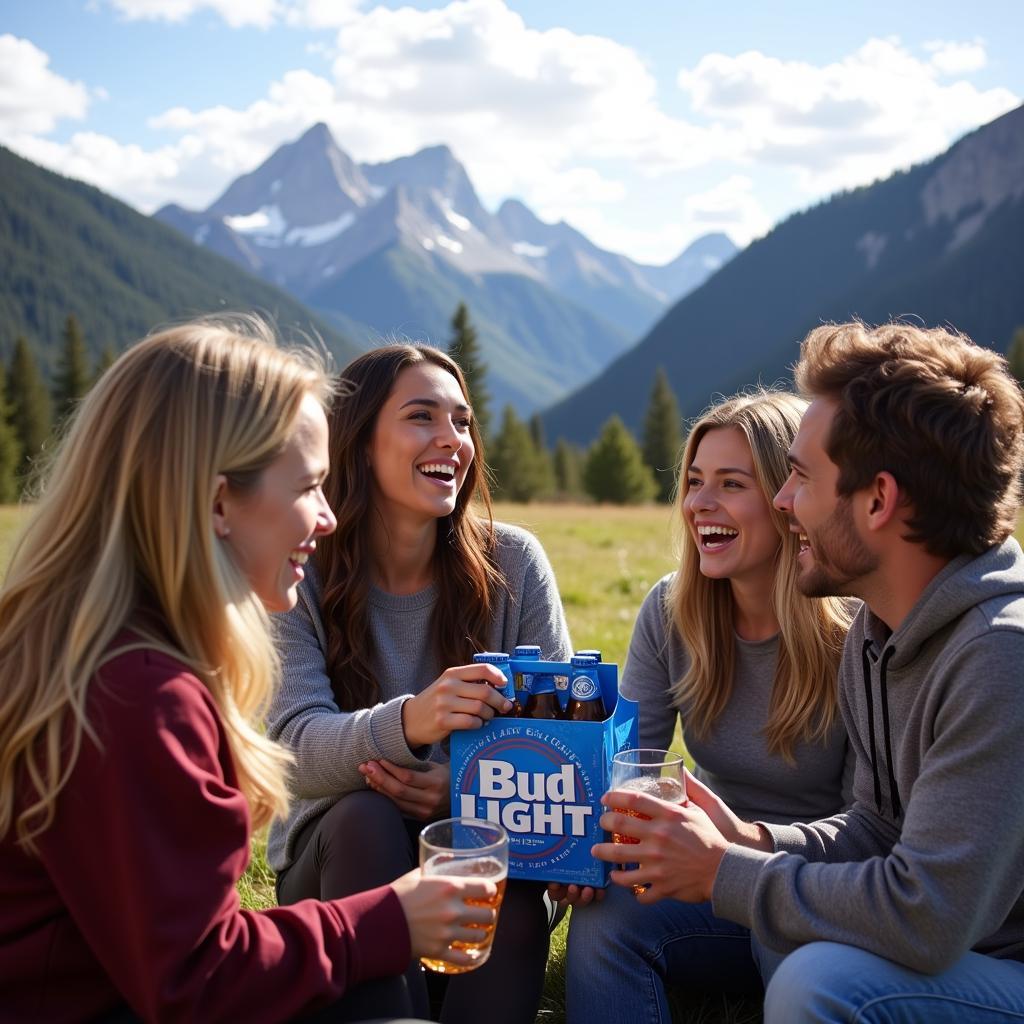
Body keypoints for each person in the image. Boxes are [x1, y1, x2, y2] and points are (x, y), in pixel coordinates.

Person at [0, 318, 499, 1023]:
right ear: (216, 502)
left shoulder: (90, 652)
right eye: (307, 487)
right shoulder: (139, 693)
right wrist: (391, 919)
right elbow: (196, 978)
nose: (326, 518)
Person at [593, 322, 1024, 1023]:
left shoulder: (1000, 655)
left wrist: (724, 871)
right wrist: (749, 839)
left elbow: (929, 916)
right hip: (947, 949)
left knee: (819, 978)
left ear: (878, 500)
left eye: (799, 476)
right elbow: (877, 832)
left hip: (998, 965)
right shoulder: (885, 632)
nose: (785, 501)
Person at [266, 343, 573, 1024]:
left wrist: (462, 791)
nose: (452, 440)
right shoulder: (298, 569)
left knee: (505, 881)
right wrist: (414, 723)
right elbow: (287, 750)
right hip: (338, 859)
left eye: (462, 422)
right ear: (359, 443)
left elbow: (563, 753)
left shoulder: (514, 564)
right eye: (421, 417)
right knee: (365, 817)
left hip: (487, 853)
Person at [564, 391, 854, 1021]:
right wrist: (589, 847)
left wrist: (750, 855)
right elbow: (626, 760)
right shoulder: (672, 611)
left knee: (801, 967)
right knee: (606, 918)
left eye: (731, 483)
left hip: (817, 892)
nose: (700, 503)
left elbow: (873, 832)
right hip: (707, 885)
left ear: (788, 499)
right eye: (694, 482)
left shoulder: (854, 630)